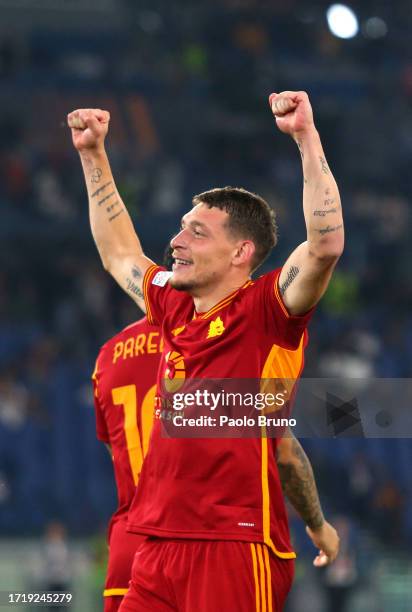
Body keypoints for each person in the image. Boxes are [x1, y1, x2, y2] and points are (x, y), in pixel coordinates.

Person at [68, 90, 344, 610]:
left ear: (241, 252)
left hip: (235, 545)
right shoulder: (173, 305)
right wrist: (93, 154)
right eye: (180, 229)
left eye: (196, 233)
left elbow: (325, 245)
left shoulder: (268, 313)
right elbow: (119, 253)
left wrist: (306, 137)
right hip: (155, 545)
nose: (176, 241)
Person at [92, 316, 163, 612]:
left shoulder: (107, 355)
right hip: (190, 539)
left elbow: (113, 447)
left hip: (128, 543)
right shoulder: (200, 336)